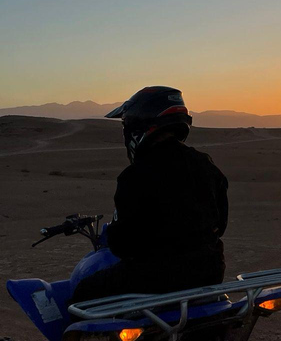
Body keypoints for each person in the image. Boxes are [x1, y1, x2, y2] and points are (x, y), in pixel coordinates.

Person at [71, 86, 229, 302]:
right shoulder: (207, 165)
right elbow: (222, 224)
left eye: (126, 125)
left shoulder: (136, 176)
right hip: (210, 272)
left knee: (81, 294)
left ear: (140, 125)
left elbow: (123, 244)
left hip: (160, 278)